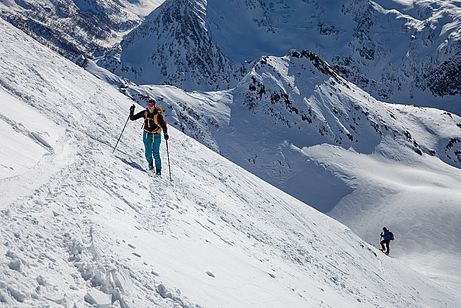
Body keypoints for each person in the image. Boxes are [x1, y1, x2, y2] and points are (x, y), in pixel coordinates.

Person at [129, 99, 169, 175]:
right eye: (148, 105)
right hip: (146, 134)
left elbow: (164, 126)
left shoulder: (158, 116)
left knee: (156, 153)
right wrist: (131, 110)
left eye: (151, 105)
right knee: (148, 152)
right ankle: (150, 165)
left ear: (154, 106)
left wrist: (165, 133)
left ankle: (158, 171)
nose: (149, 107)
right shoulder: (145, 113)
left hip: (156, 135)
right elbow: (132, 118)